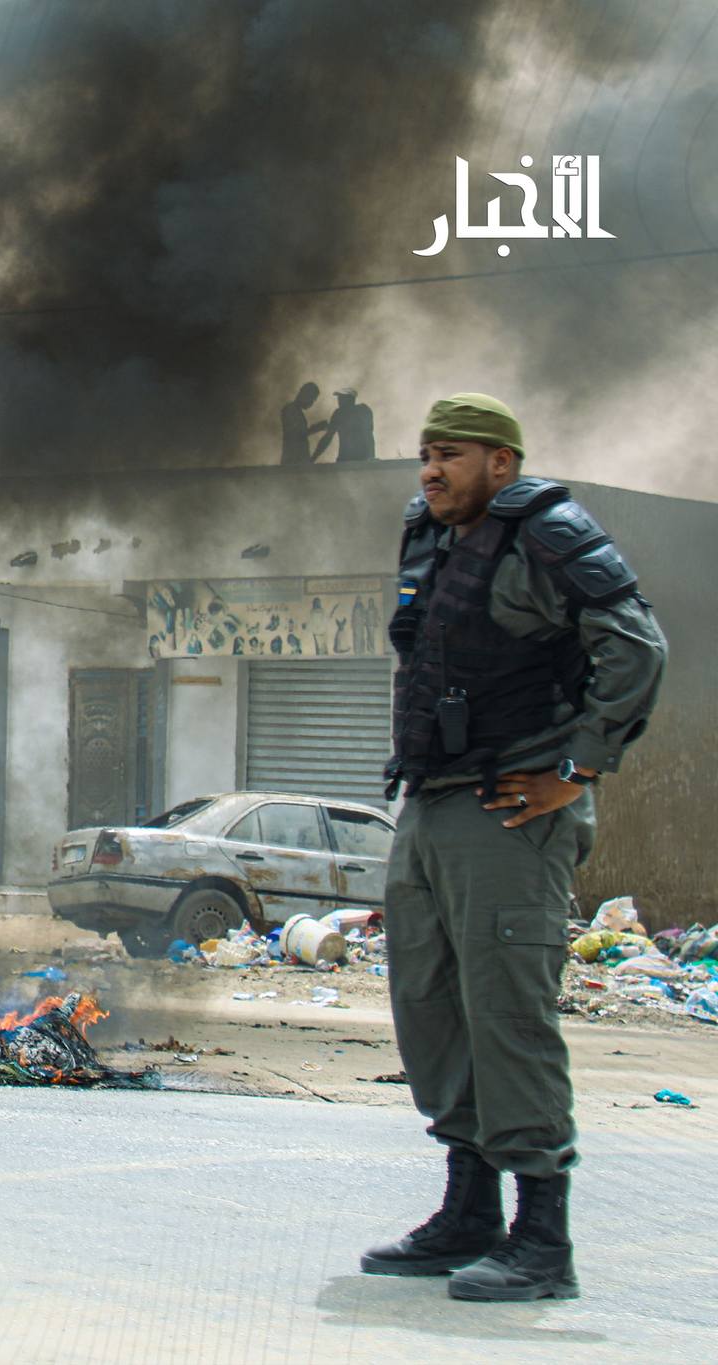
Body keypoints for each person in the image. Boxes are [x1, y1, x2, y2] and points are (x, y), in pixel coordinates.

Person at [364, 393, 665, 1302]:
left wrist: (576, 769)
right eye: (424, 453)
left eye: (449, 453)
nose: (430, 469)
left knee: (506, 1014)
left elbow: (636, 650)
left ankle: (543, 1238)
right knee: (430, 1007)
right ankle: (469, 1211)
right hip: (429, 804)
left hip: (512, 812)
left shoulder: (550, 530)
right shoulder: (430, 534)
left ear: (502, 460)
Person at [314, 387, 377, 462]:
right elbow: (327, 437)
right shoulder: (339, 414)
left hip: (361, 459)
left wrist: (371, 458)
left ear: (351, 399)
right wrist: (313, 458)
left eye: (342, 398)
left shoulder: (362, 411)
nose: (339, 401)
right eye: (339, 398)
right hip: (345, 459)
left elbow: (368, 435)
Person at [280, 381, 327, 464]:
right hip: (293, 460)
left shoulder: (295, 410)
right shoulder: (290, 410)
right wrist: (316, 428)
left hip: (298, 459)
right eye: (312, 399)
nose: (312, 403)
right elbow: (295, 435)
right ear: (305, 395)